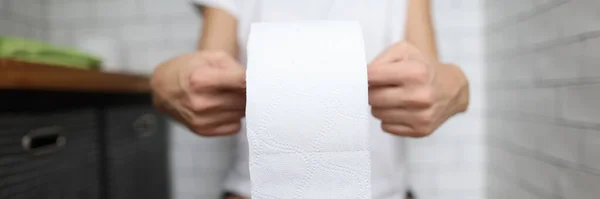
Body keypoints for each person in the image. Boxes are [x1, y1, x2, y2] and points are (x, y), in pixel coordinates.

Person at [151, 0, 470, 199]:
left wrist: (453, 86)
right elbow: (207, 70)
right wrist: (168, 84)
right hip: (256, 192)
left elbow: (429, 73)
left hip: (382, 192)